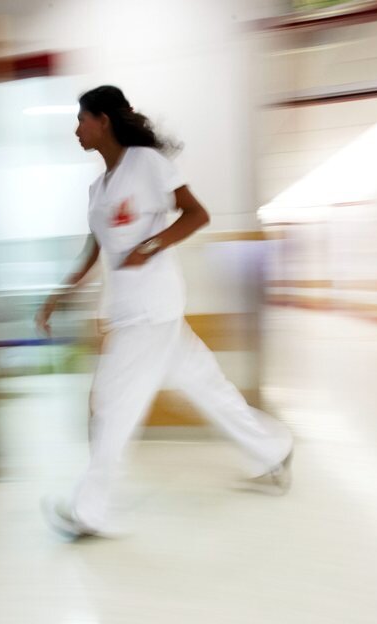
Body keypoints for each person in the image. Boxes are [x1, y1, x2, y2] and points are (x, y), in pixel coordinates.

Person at [37, 86, 293, 538]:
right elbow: (94, 249)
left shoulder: (147, 163)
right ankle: (272, 447)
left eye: (81, 119)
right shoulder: (98, 188)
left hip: (149, 311)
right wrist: (61, 292)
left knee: (112, 404)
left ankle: (90, 509)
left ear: (103, 120)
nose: (76, 130)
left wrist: (150, 245)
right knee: (206, 386)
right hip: (134, 311)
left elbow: (196, 214)